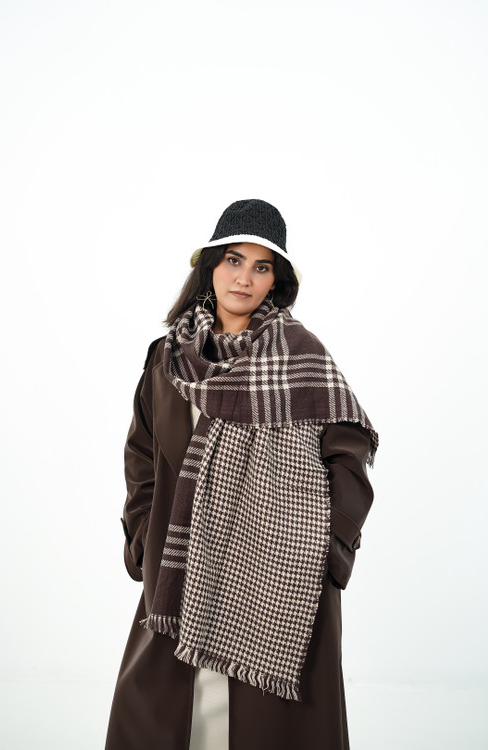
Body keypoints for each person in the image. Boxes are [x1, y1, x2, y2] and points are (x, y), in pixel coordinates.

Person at [105, 199, 378, 750]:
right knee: (171, 711)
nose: (244, 278)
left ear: (276, 280)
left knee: (266, 725)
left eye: (261, 266)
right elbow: (142, 456)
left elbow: (348, 457)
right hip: (183, 558)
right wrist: (142, 538)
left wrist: (328, 546)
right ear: (210, 265)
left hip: (281, 572)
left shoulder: (303, 358)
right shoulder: (168, 358)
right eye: (234, 260)